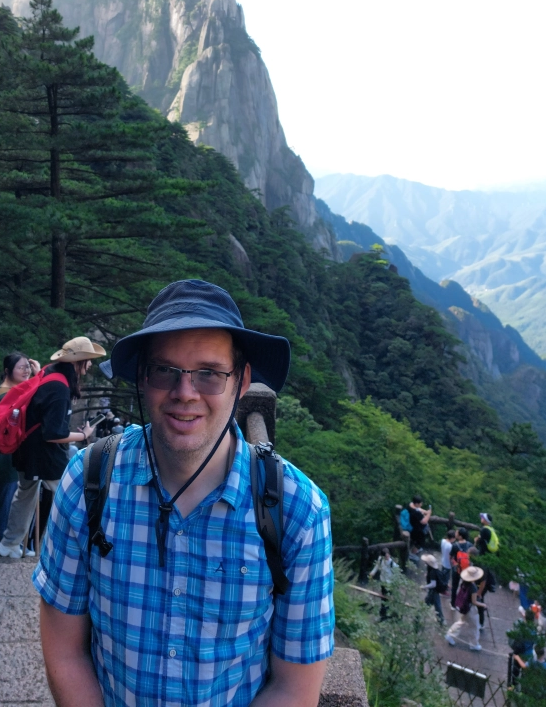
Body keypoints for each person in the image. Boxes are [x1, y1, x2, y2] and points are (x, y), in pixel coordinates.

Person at [35, 279, 334, 707]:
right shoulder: (88, 483)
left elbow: (294, 687)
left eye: (210, 374)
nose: (185, 393)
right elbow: (65, 651)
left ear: (242, 381)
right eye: (165, 370)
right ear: (142, 376)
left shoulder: (298, 510)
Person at [0, 337, 105, 559]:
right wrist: (83, 435)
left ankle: (9, 543)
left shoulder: (50, 373)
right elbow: (53, 434)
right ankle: (86, 546)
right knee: (74, 495)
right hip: (43, 455)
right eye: (89, 360)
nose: (91, 365)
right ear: (78, 362)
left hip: (28, 448)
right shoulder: (59, 386)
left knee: (25, 494)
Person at [0, 352, 39, 547]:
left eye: (28, 366)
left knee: (11, 499)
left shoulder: (11, 391)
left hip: (10, 454)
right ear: (8, 371)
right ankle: (2, 543)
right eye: (21, 367)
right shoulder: (5, 395)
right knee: (9, 501)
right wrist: (38, 376)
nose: (26, 370)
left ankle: (6, 543)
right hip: (7, 455)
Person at [446, 564, 484, 652]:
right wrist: (483, 605)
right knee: (474, 626)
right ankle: (474, 644)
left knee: (461, 622)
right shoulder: (473, 587)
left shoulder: (464, 583)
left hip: (463, 607)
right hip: (470, 609)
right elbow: (474, 602)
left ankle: (450, 635)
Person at [370, 547, 399, 620]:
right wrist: (372, 573)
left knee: (387, 599)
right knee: (383, 598)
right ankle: (383, 614)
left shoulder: (393, 564)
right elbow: (377, 566)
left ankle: (384, 614)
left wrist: (395, 584)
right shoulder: (380, 560)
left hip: (390, 584)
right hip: (383, 581)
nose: (387, 557)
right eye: (386, 556)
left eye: (388, 555)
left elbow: (397, 574)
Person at [450, 528, 472, 609]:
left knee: (454, 586)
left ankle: (453, 604)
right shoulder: (470, 545)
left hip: (457, 569)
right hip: (466, 569)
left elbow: (451, 557)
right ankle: (462, 603)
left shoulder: (455, 545)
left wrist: (453, 565)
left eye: (457, 533)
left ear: (460, 536)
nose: (455, 533)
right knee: (465, 586)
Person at [421, 553, 445, 624]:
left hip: (433, 591)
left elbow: (433, 584)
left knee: (430, 604)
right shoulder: (435, 571)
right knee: (436, 605)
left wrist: (424, 587)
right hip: (435, 591)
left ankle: (418, 617)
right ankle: (441, 620)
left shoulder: (432, 572)